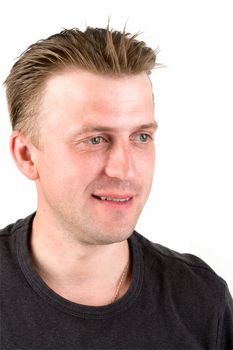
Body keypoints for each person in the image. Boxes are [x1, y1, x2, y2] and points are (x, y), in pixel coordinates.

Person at [0, 25, 232, 350]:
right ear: (26, 156)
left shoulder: (200, 301)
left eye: (141, 137)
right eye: (94, 139)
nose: (125, 169)